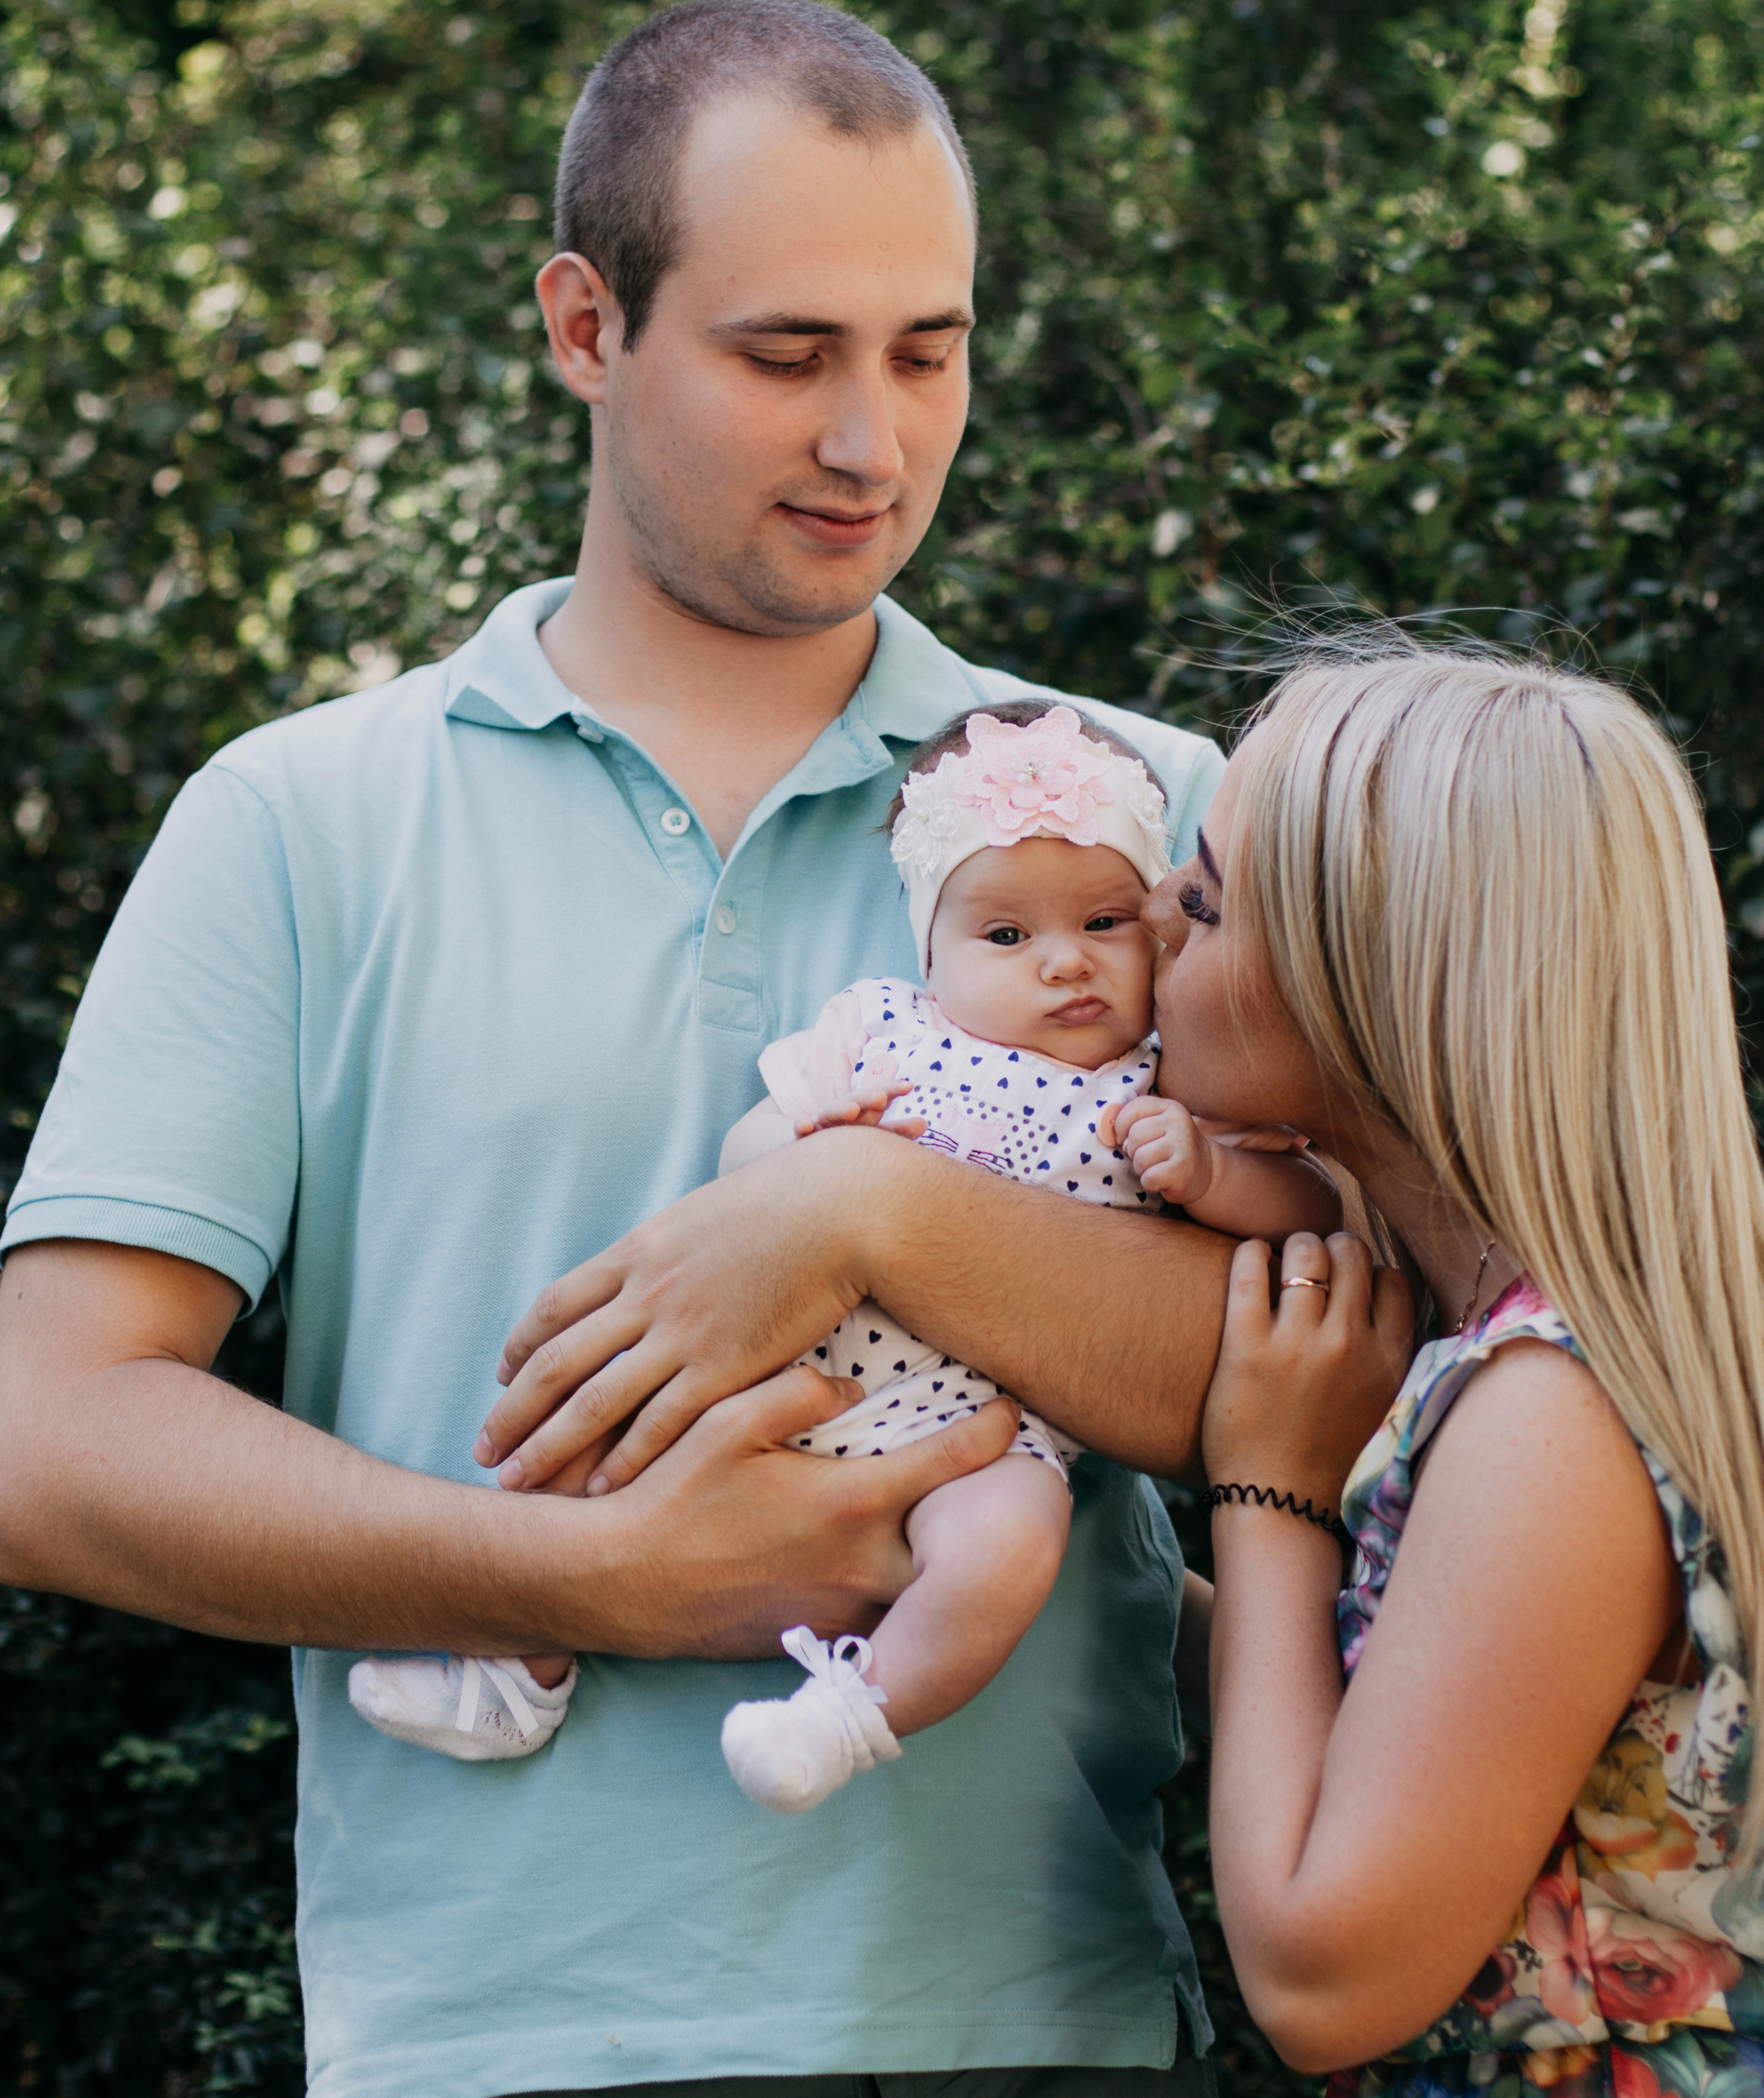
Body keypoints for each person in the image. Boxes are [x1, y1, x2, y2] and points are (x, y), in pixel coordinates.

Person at [0, 0, 1246, 2098]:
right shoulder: (302, 823)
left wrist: (868, 1210)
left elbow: (1326, 1379)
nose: (871, 438)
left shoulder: (1148, 821)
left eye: (931, 351)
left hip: (1047, 2078)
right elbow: (51, 1456)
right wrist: (589, 1580)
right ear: (585, 323)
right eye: (785, 353)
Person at [1155, 642, 1764, 2098]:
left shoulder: (1553, 1406)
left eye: (1207, 904)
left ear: (1367, 983)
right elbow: (1441, 1760)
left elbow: (1325, 1969)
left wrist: (1268, 1489)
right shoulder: (1661, 1338)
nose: (1151, 926)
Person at [348, 702, 1337, 1809]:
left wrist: (1209, 1173)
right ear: (932, 948)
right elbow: (749, 1168)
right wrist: (810, 1152)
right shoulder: (883, 1030)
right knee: (598, 1429)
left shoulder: (1168, 1078)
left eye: (1106, 921)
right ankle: (515, 1668)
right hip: (789, 1368)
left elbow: (1309, 1210)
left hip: (985, 1433)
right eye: (1006, 938)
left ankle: (850, 1717)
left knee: (1010, 1549)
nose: (1066, 962)